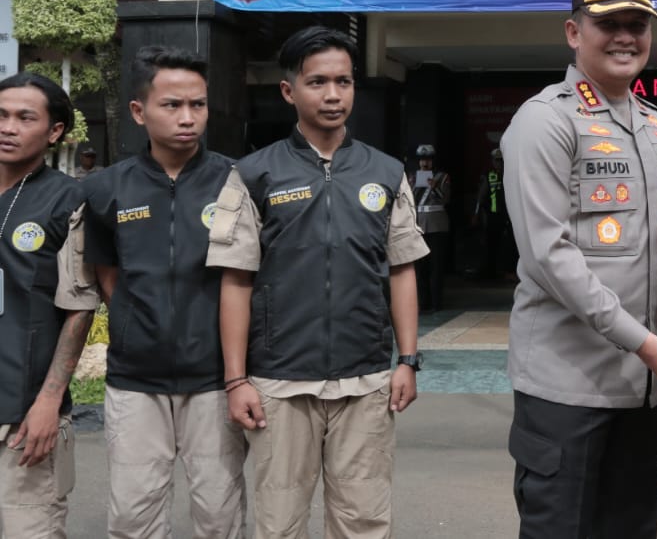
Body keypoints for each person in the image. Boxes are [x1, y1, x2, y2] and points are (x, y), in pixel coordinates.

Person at [502, 0, 657, 539]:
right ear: (574, 32)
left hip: (642, 389)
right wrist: (643, 343)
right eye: (608, 23)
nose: (625, 37)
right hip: (567, 387)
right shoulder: (545, 120)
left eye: (637, 24)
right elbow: (548, 255)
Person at [206, 26, 428, 539]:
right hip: (280, 382)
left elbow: (402, 268)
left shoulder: (385, 172)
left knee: (363, 521)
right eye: (318, 82)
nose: (333, 95)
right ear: (289, 91)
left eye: (343, 82)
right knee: (279, 523)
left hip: (365, 379)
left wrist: (407, 360)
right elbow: (236, 280)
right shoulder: (253, 174)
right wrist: (237, 380)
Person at [81, 46, 247, 538]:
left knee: (219, 514)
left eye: (198, 105)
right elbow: (107, 274)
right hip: (135, 380)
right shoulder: (106, 188)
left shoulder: (237, 182)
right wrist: (136, 325)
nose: (188, 117)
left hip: (215, 380)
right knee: (134, 516)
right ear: (139, 111)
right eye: (172, 105)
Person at [0, 72, 98, 538]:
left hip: (21, 410)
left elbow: (81, 306)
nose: (8, 127)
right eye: (1, 115)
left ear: (55, 131)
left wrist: (49, 400)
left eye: (25, 118)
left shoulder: (68, 199)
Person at [413, 143, 450, 312]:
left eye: (427, 159)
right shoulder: (412, 177)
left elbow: (446, 200)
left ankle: (436, 303)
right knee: (420, 268)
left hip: (437, 225)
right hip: (419, 225)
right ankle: (423, 303)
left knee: (436, 266)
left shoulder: (442, 177)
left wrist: (435, 188)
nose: (424, 163)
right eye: (422, 159)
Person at [473, 147, 516, 279]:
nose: (499, 163)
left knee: (510, 244)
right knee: (491, 243)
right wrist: (476, 214)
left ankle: (509, 271)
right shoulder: (488, 175)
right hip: (493, 215)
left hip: (510, 215)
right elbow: (480, 197)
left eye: (501, 160)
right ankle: (490, 272)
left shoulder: (512, 174)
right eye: (497, 160)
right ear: (492, 161)